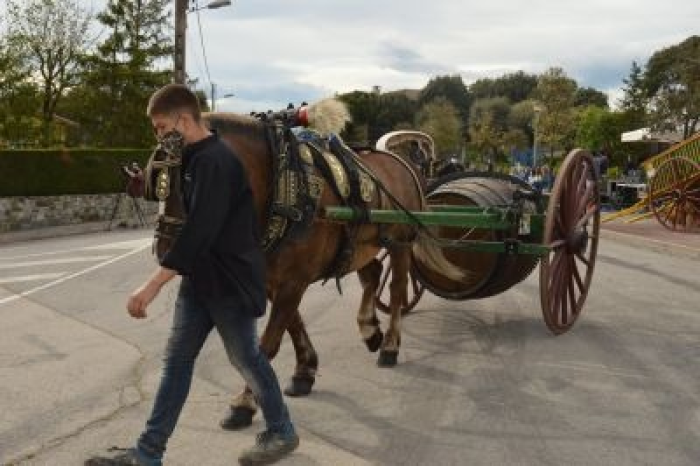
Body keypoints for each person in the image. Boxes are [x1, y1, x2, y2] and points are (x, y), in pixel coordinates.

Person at [86, 84, 298, 466]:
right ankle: (148, 454)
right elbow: (187, 225)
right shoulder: (192, 158)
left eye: (161, 127)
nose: (159, 136)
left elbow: (199, 230)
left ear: (184, 120)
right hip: (201, 280)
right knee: (177, 361)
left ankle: (281, 431)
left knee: (247, 358)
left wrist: (151, 287)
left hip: (230, 283)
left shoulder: (216, 161)